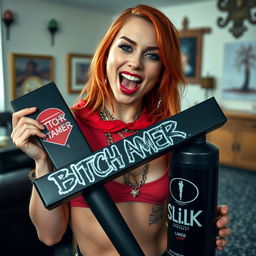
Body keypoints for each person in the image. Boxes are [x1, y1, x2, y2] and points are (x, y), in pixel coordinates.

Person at [11, 5, 231, 256]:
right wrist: (42, 161)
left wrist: (200, 221)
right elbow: (50, 236)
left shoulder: (172, 131)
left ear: (161, 70)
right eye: (126, 47)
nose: (135, 63)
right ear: (106, 53)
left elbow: (176, 213)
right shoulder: (66, 128)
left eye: (152, 55)